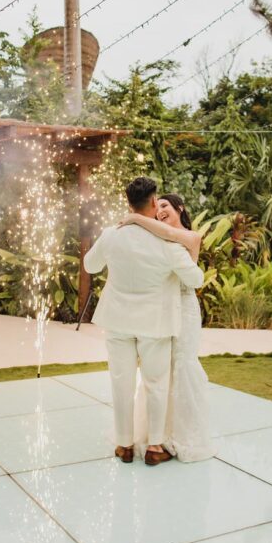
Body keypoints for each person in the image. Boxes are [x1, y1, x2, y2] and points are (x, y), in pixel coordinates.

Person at [83, 177, 205, 466]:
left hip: (117, 320)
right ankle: (153, 447)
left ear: (128, 203)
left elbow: (90, 265)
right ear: (153, 202)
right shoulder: (167, 242)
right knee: (156, 384)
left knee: (120, 382)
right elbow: (196, 279)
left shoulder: (111, 234)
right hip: (156, 323)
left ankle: (124, 445)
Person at [118, 193, 214, 462]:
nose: (159, 211)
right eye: (156, 206)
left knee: (182, 366)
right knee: (158, 371)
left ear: (179, 208)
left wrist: (136, 217)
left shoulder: (188, 237)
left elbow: (180, 239)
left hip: (184, 309)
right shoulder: (157, 237)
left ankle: (181, 437)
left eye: (165, 206)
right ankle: (155, 436)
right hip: (161, 309)